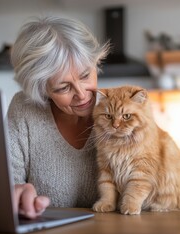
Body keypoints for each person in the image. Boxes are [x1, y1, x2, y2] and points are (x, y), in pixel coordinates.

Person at [7, 16, 110, 219]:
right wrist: (15, 194)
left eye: (85, 75)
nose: (82, 94)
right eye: (63, 87)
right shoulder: (23, 109)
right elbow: (6, 183)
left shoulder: (117, 108)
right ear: (42, 89)